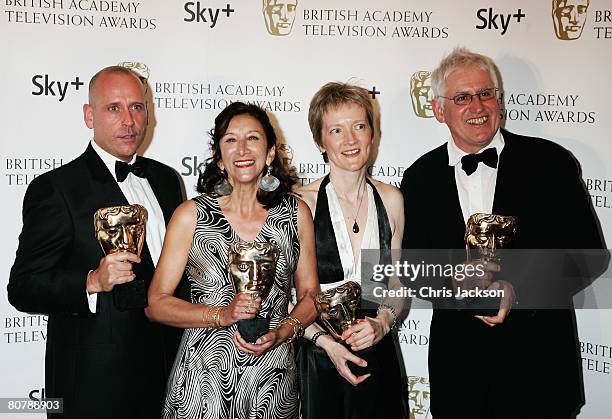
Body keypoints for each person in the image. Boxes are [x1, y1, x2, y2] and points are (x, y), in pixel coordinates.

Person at [400, 47, 607, 418]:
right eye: (462, 97)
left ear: (500, 100)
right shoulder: (419, 178)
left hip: (540, 372)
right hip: (460, 375)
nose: (477, 106)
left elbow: (588, 255)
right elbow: (412, 270)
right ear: (438, 109)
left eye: (486, 93)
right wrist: (452, 281)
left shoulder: (551, 163)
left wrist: (519, 289)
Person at [8, 66, 186, 418]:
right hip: (95, 385)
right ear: (89, 116)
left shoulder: (167, 180)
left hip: (169, 374)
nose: (128, 120)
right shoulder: (56, 188)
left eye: (137, 107)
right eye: (113, 108)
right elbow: (24, 287)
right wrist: (91, 281)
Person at [145, 102, 319, 419]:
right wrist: (220, 315)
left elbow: (310, 295)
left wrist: (283, 332)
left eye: (253, 138)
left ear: (269, 153)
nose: (242, 148)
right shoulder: (191, 216)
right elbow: (156, 304)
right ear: (219, 157)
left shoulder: (296, 214)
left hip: (273, 381)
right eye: (230, 140)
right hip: (202, 383)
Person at [295, 82, 408, 419]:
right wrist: (325, 343)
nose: (350, 140)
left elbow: (398, 283)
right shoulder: (303, 203)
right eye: (336, 130)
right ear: (319, 141)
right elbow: (286, 295)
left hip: (378, 353)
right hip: (319, 358)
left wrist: (383, 322)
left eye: (359, 126)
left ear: (372, 132)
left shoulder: (391, 199)